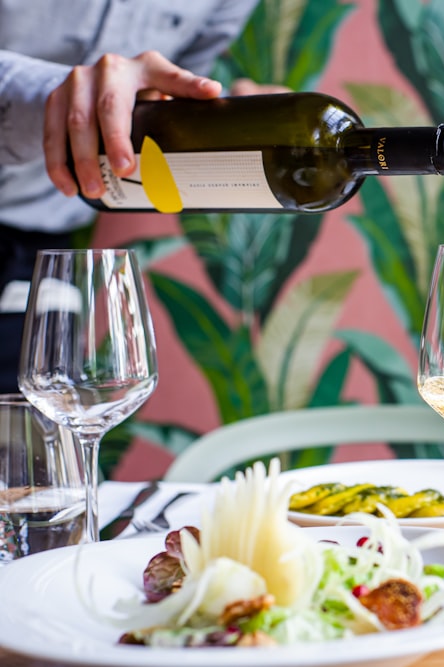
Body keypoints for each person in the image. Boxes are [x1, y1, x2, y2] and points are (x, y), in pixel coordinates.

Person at [0, 0, 263, 392]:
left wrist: (229, 116)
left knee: (34, 449)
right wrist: (57, 95)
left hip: (40, 258)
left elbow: (167, 98)